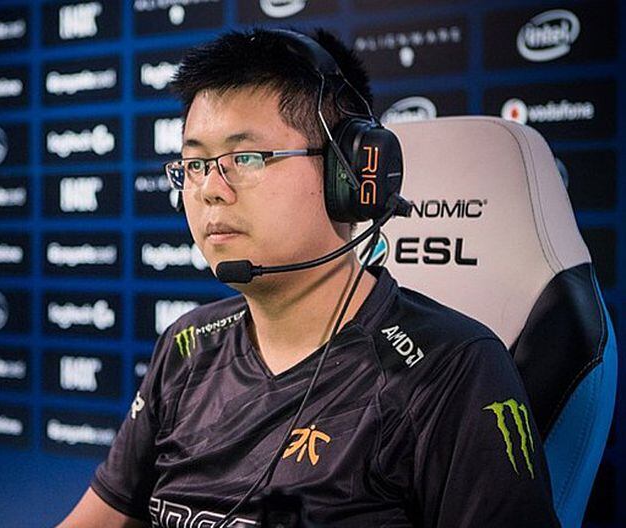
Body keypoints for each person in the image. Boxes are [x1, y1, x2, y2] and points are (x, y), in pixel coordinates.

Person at [58, 28, 559, 527]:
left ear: (348, 175)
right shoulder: (186, 347)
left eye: (245, 158)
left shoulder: (449, 370)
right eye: (194, 164)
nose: (210, 188)